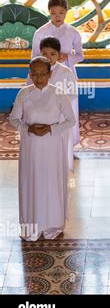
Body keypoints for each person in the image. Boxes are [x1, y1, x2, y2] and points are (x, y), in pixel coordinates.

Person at [10, 57, 76, 241]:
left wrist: (51, 128)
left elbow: (71, 120)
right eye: (35, 74)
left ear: (50, 74)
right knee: (32, 181)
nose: (38, 79)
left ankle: (52, 224)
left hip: (52, 145)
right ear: (30, 74)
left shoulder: (59, 94)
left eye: (43, 74)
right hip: (31, 146)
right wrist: (27, 128)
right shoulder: (24, 94)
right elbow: (14, 119)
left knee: (51, 182)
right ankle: (32, 224)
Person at [27, 37, 79, 171]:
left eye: (52, 54)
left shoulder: (66, 72)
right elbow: (28, 91)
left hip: (60, 116)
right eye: (45, 53)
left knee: (60, 145)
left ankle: (62, 170)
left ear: (59, 55)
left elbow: (73, 93)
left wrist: (58, 103)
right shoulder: (34, 70)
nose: (48, 57)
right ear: (40, 52)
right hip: (39, 114)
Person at [31, 0, 84, 77]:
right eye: (53, 13)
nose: (57, 16)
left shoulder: (73, 32)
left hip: (67, 77)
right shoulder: (40, 32)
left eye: (61, 13)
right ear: (49, 12)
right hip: (46, 78)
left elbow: (80, 56)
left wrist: (67, 57)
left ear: (66, 11)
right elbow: (34, 59)